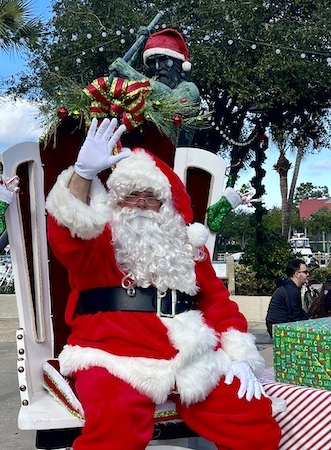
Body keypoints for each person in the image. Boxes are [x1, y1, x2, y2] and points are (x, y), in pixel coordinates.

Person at [45, 118, 281, 450]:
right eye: (131, 195)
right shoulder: (99, 240)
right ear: (115, 201)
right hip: (111, 355)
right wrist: (82, 176)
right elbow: (69, 234)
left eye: (150, 197)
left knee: (250, 415)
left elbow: (217, 301)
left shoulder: (184, 247)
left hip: (187, 353)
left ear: (165, 205)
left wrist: (238, 353)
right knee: (116, 423)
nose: (140, 203)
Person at [109, 28, 200, 146]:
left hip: (173, 159)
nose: (157, 66)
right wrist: (137, 52)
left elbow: (170, 99)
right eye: (152, 62)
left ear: (177, 61)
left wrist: (129, 73)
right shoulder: (148, 87)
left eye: (162, 59)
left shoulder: (189, 89)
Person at [265, 258, 310, 336]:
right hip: (277, 327)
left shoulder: (290, 287)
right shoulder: (291, 290)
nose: (307, 274)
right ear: (297, 274)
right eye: (305, 272)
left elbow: (298, 312)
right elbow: (295, 315)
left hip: (276, 325)